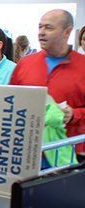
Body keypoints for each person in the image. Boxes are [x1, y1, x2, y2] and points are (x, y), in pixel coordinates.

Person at [10, 9, 85, 154]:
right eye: (40, 27)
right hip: (26, 151)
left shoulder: (82, 66)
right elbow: (10, 101)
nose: (41, 32)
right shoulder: (25, 64)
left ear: (67, 32)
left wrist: (74, 114)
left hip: (67, 154)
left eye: (48, 27)